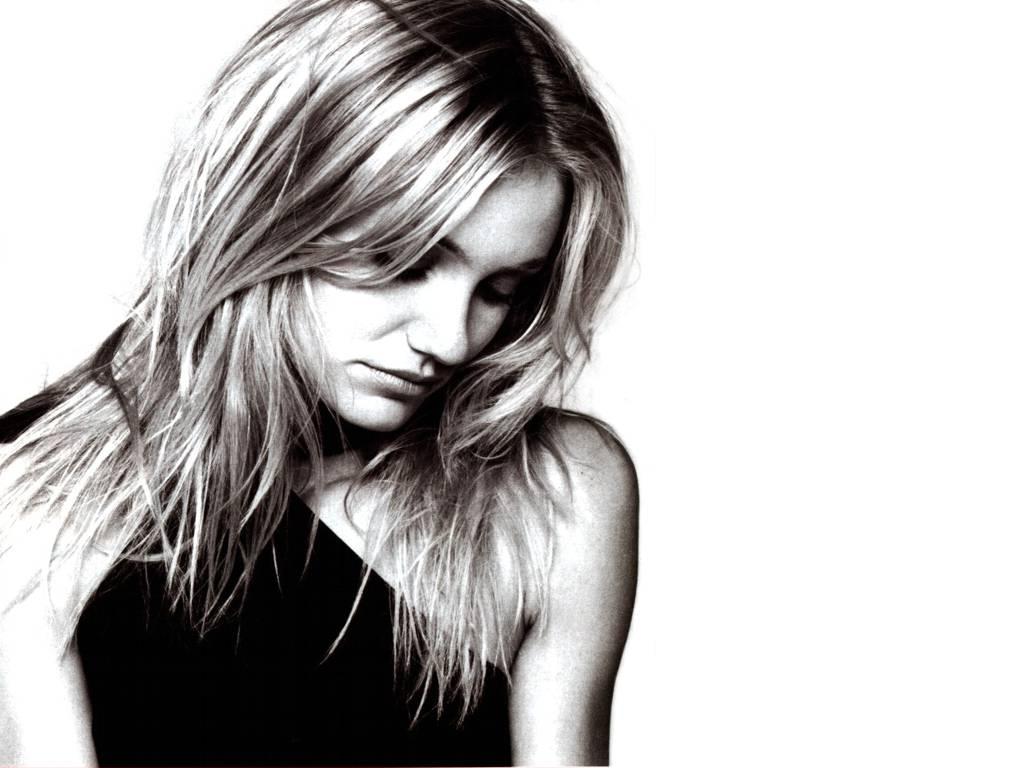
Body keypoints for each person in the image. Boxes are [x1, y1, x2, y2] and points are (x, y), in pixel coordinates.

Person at [0, 0, 638, 764]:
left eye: (500, 289)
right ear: (273, 206)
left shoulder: (554, 492)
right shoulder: (39, 493)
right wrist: (28, 648)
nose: (450, 338)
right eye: (402, 261)